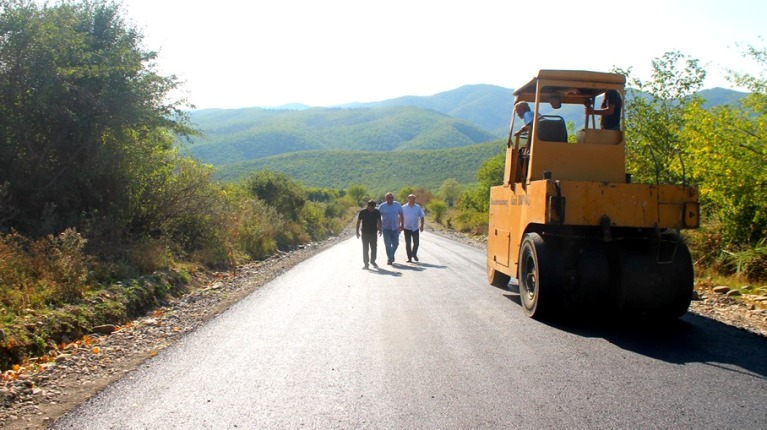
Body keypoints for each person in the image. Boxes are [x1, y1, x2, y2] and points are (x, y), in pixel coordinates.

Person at [378, 192, 404, 265]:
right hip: (386, 228)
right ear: (386, 198)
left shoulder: (397, 205)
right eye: (389, 198)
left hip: (395, 227)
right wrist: (379, 226)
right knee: (387, 244)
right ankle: (389, 258)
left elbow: (401, 214)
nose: (391, 199)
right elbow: (378, 217)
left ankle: (391, 255)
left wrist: (402, 224)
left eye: (392, 197)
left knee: (396, 244)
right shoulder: (382, 206)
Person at [355, 200, 381, 270]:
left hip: (373, 233)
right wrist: (357, 232)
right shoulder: (362, 212)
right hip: (365, 233)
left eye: (373, 208)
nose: (371, 209)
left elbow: (379, 220)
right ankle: (366, 264)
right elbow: (358, 222)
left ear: (375, 207)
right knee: (365, 248)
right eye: (370, 207)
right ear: (368, 206)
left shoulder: (377, 212)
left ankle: (373, 261)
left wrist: (380, 229)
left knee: (374, 248)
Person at [401, 194, 425, 263]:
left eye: (414, 199)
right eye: (412, 199)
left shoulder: (418, 207)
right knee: (408, 243)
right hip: (407, 228)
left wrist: (422, 225)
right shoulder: (404, 207)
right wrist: (400, 225)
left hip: (415, 228)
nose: (413, 200)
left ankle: (414, 254)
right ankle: (409, 258)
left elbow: (422, 216)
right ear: (408, 199)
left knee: (416, 243)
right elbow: (400, 216)